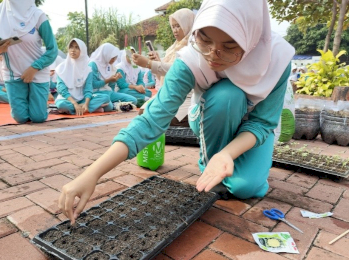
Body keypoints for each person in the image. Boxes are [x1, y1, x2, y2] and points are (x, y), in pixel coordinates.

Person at [58, 0, 295, 224]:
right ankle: (210, 160)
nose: (213, 54)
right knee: (226, 95)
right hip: (213, 114)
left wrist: (228, 154)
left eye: (229, 47)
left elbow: (263, 123)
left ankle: (222, 158)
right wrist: (92, 173)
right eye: (205, 40)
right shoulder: (190, 61)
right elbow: (152, 120)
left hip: (252, 128)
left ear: (251, 39)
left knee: (247, 188)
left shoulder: (276, 58)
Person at [0, 0, 58, 124]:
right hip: (12, 73)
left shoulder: (38, 15)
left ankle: (41, 107)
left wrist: (34, 68)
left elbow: (52, 50)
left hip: (37, 72)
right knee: (20, 118)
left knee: (38, 118)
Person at [132, 8, 195, 125]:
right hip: (168, 92)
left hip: (186, 95)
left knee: (162, 120)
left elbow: (179, 70)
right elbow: (162, 76)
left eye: (178, 26)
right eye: (173, 27)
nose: (175, 30)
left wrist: (150, 64)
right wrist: (156, 63)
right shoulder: (172, 49)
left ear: (188, 25)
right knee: (142, 113)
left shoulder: (193, 46)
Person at [55, 38, 112, 115]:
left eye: (77, 47)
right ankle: (88, 109)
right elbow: (62, 90)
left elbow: (88, 89)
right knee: (62, 105)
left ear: (82, 51)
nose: (73, 50)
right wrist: (75, 104)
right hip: (67, 100)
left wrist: (86, 103)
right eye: (71, 47)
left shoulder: (87, 69)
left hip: (82, 100)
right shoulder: (61, 68)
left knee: (106, 98)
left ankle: (82, 108)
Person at [88, 43, 137, 109]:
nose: (114, 60)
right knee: (108, 105)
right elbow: (93, 85)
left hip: (109, 92)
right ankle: (115, 105)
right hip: (98, 94)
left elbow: (111, 87)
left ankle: (115, 105)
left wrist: (114, 80)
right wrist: (109, 80)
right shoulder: (93, 65)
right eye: (112, 57)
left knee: (133, 100)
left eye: (115, 57)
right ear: (106, 55)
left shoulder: (109, 65)